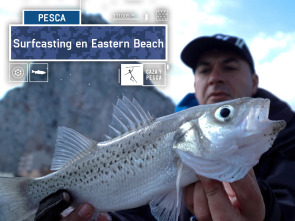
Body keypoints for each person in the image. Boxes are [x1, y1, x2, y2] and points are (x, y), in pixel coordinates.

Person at [38, 34, 295, 221]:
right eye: (205, 70)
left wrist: (270, 215)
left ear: (253, 82)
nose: (216, 77)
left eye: (229, 66)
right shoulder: (166, 132)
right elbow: (137, 215)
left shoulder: (289, 144)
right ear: (195, 85)